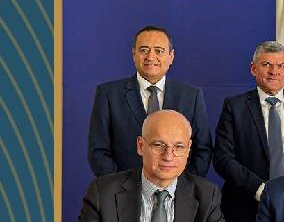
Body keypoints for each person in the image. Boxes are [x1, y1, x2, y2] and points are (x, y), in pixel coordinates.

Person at [62, 110, 241, 222]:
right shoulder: (104, 191)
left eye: (178, 147)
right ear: (140, 146)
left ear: (189, 149)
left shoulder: (206, 193)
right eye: (158, 145)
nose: (168, 156)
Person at [213, 41, 284, 222]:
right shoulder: (235, 107)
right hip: (245, 208)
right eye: (266, 64)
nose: (274, 71)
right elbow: (223, 158)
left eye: (280, 66)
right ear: (253, 69)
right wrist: (260, 190)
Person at [87, 25, 212, 177]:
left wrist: (181, 187)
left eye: (159, 51)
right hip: (122, 188)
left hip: (178, 189)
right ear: (134, 54)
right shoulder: (108, 94)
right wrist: (120, 187)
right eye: (144, 50)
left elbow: (202, 150)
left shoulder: (191, 96)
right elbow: (98, 152)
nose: (150, 57)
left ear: (171, 56)